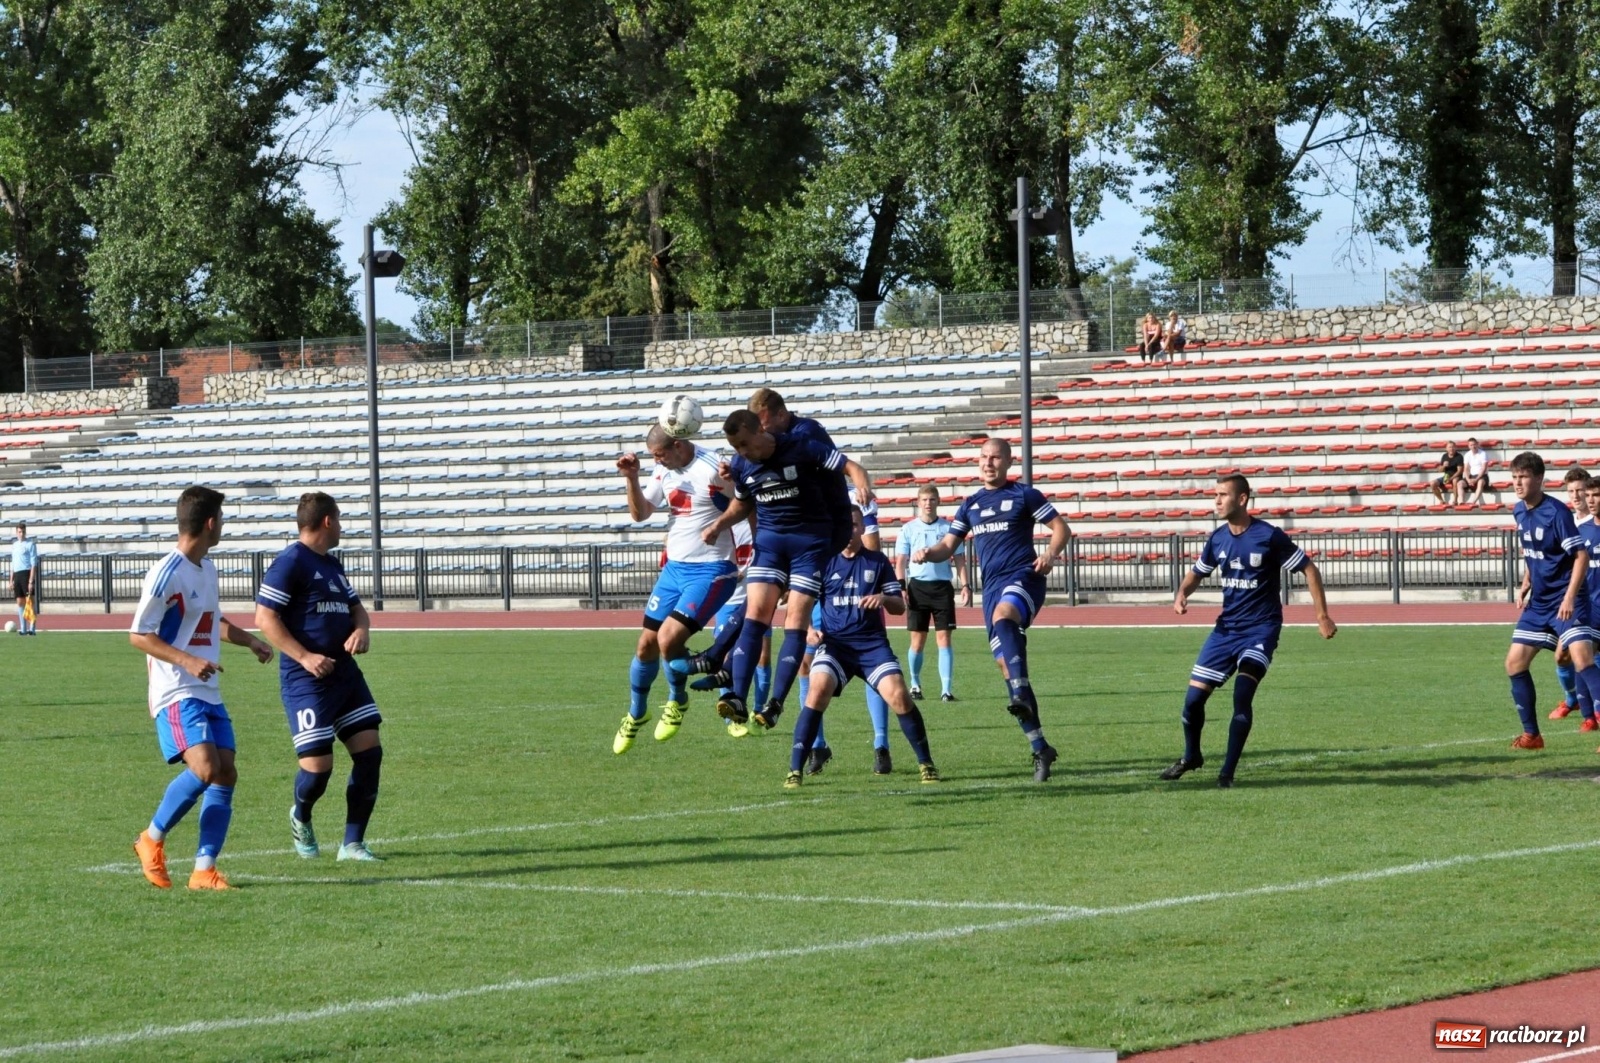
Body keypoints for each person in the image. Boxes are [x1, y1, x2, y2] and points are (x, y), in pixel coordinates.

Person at [130, 486, 274, 890]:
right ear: (210, 523)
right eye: (222, 520)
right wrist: (188, 660)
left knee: (226, 773)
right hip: (176, 688)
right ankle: (150, 838)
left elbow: (211, 621)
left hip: (207, 688)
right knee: (206, 768)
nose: (223, 526)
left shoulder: (206, 569)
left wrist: (251, 642)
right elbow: (138, 635)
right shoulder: (166, 572)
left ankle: (203, 870)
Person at [1160, 475, 1337, 787]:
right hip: (1226, 631)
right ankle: (1191, 756)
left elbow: (1309, 568)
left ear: (1242, 499)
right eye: (1214, 495)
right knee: (1191, 702)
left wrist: (1321, 616)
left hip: (1260, 630)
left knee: (1242, 696)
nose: (1216, 501)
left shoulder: (1268, 536)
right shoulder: (1217, 539)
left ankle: (1226, 774)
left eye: (1222, 495)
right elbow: (1197, 573)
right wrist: (1181, 593)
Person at [911, 437, 1070, 782]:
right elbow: (947, 546)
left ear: (1009, 462)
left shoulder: (1024, 495)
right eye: (983, 457)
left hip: (1024, 578)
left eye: (995, 457)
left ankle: (1021, 693)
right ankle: (1040, 747)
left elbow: (1061, 528)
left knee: (1004, 619)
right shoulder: (970, 505)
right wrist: (928, 553)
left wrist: (1049, 554)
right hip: (992, 590)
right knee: (1004, 666)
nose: (988, 463)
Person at [702, 409, 869, 732]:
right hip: (770, 544)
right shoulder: (740, 465)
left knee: (795, 620)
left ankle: (775, 703)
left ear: (760, 430)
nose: (742, 452)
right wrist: (718, 525)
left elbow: (848, 465)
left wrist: (862, 484)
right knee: (755, 616)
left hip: (810, 543)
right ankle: (737, 695)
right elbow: (742, 502)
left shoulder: (802, 446)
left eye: (745, 444)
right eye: (736, 447)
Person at [254, 492, 386, 862]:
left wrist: (362, 630)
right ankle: (301, 814)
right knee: (317, 771)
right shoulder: (290, 562)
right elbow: (264, 618)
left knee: (370, 754)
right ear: (327, 521)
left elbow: (357, 610)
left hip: (345, 676)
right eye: (339, 519)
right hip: (306, 681)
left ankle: (352, 844)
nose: (342, 526)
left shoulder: (333, 565)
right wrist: (305, 657)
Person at [782, 508, 939, 789]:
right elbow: (799, 604)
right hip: (836, 646)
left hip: (872, 646)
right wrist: (808, 631)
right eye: (844, 525)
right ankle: (795, 769)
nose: (849, 531)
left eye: (854, 525)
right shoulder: (823, 561)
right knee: (816, 691)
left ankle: (926, 763)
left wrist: (882, 598)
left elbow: (899, 605)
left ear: (861, 529)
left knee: (900, 695)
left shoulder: (877, 562)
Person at [612, 425, 740, 752]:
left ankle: (677, 700)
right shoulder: (662, 471)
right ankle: (636, 713)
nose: (657, 461)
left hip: (711, 568)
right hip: (675, 570)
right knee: (646, 645)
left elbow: (747, 503)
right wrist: (632, 478)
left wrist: (734, 537)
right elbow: (640, 514)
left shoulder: (713, 467)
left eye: (660, 455)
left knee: (669, 639)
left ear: (678, 445)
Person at [1504, 451, 1600, 750]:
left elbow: (1580, 556)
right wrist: (1526, 583)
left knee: (1583, 659)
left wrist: (1570, 597)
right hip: (1540, 603)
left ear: (1539, 479)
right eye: (1514, 477)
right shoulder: (1519, 511)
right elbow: (1534, 553)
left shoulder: (1557, 513)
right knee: (1514, 664)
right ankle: (1532, 735)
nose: (1518, 483)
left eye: (1524, 477)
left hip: (1566, 599)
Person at [895, 484, 971, 707]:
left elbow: (959, 559)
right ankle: (915, 684)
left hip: (942, 589)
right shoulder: (908, 529)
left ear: (938, 502)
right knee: (917, 642)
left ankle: (946, 690)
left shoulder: (949, 529)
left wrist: (965, 585)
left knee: (944, 640)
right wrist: (901, 587)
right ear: (918, 503)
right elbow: (900, 561)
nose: (928, 503)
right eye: (925, 500)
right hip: (917, 588)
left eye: (932, 499)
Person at [1550, 469, 1596, 727]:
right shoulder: (1567, 522)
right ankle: (1573, 699)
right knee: (1562, 657)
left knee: (1588, 658)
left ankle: (1590, 712)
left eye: (1580, 490)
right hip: (1574, 600)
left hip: (1593, 602)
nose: (1576, 496)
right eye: (1571, 491)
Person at [11, 521, 37, 635]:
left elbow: (33, 563)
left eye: (23, 532)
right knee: (20, 602)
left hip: (26, 574)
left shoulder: (30, 544)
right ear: (16, 532)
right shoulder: (14, 545)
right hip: (17, 575)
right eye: (19, 532)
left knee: (29, 602)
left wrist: (31, 580)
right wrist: (11, 580)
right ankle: (23, 629)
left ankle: (32, 628)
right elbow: (13, 564)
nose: (21, 534)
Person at [1461, 438, 1490, 506]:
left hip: (1482, 476)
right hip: (1471, 476)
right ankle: (1461, 502)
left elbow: (1484, 468)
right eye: (1471, 445)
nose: (1473, 446)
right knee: (1459, 483)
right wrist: (1468, 479)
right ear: (1468, 446)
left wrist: (1476, 479)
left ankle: (1473, 502)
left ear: (1477, 444)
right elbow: (1466, 468)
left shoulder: (1483, 453)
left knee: (1480, 482)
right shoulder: (1467, 454)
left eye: (1474, 444)